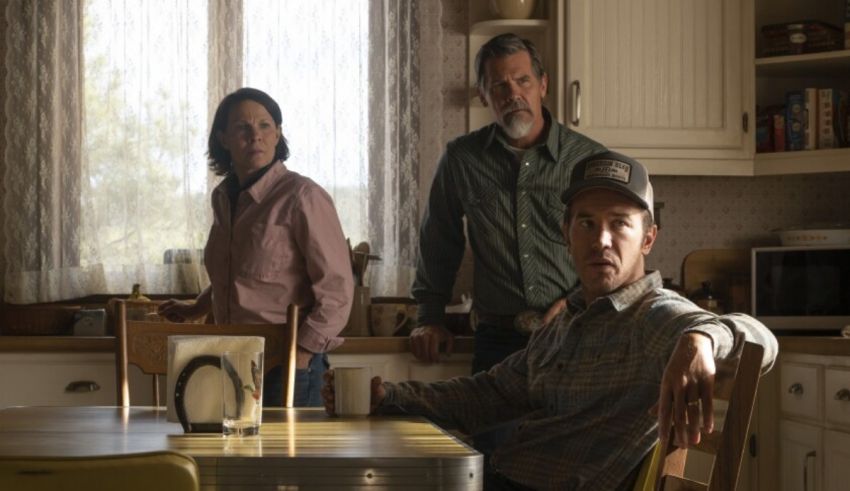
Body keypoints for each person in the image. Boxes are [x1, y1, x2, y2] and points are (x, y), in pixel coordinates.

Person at [324, 151, 779, 490]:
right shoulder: (568, 320)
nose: (601, 240)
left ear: (648, 239)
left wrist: (701, 336)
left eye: (620, 223)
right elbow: (490, 393)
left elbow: (763, 340)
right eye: (586, 223)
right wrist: (389, 395)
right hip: (501, 476)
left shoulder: (654, 316)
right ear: (566, 234)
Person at [410, 33, 605, 373]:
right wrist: (429, 317)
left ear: (542, 85)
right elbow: (440, 240)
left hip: (576, 332)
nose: (513, 93)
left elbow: (610, 249)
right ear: (484, 96)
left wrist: (573, 303)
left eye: (522, 80)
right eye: (499, 85)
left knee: (570, 428)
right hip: (496, 342)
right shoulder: (462, 159)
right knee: (488, 429)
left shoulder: (588, 160)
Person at [159, 87, 354, 407]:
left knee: (285, 457)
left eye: (265, 125)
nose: (255, 135)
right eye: (242, 127)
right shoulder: (224, 198)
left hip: (287, 365)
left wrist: (302, 352)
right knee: (235, 456)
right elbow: (240, 275)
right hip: (229, 360)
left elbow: (338, 290)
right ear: (223, 139)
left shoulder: (303, 196)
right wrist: (197, 307)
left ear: (278, 134)